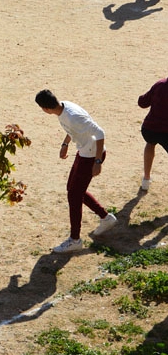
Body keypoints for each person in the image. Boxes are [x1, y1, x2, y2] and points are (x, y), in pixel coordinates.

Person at [35, 89, 117, 253]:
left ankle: (75, 240)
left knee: (74, 194)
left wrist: (98, 161)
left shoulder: (74, 116)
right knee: (73, 190)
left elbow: (100, 133)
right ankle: (106, 218)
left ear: (45, 108)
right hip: (84, 153)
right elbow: (71, 130)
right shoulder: (63, 108)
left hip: (91, 156)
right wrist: (65, 144)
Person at [138, 77, 168, 190]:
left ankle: (146, 180)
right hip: (166, 132)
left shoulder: (160, 84)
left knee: (150, 144)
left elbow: (143, 102)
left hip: (150, 128)